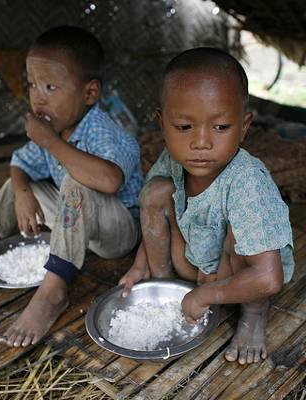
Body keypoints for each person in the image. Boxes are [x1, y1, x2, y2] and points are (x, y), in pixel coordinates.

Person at [0, 25, 143, 347]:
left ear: (89, 93)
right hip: (76, 224)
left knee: (76, 181)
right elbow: (19, 163)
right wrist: (24, 194)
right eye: (32, 85)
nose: (38, 97)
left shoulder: (102, 131)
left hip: (116, 232)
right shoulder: (54, 127)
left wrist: (51, 142)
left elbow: (109, 181)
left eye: (51, 86)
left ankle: (53, 290)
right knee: (19, 181)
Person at [119, 47, 294, 365]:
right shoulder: (172, 159)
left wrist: (205, 295)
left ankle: (253, 315)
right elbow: (152, 211)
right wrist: (139, 264)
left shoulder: (246, 181)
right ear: (162, 124)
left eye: (221, 127)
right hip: (195, 262)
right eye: (184, 127)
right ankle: (164, 286)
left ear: (243, 126)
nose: (201, 142)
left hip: (241, 274)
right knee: (155, 191)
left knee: (242, 231)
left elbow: (269, 277)